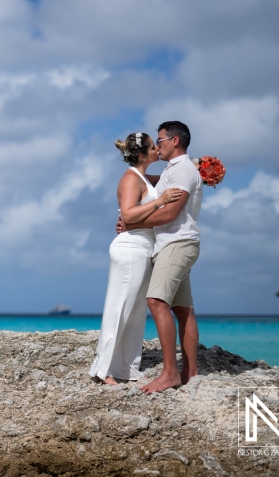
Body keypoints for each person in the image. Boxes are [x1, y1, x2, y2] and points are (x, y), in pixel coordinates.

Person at [90, 132, 182, 385]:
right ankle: (104, 368)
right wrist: (160, 202)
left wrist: (197, 167)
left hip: (143, 247)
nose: (157, 150)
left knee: (135, 310)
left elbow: (166, 178)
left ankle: (126, 367)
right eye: (153, 147)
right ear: (142, 155)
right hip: (131, 247)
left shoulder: (143, 177)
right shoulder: (131, 179)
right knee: (120, 307)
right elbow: (129, 215)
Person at [120, 121, 203, 394]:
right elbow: (151, 182)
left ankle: (170, 374)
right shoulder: (174, 170)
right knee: (182, 309)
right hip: (176, 243)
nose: (158, 146)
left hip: (176, 243)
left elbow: (169, 214)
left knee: (156, 301)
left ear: (175, 141)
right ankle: (191, 372)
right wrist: (136, 172)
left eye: (161, 140)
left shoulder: (183, 170)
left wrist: (131, 224)